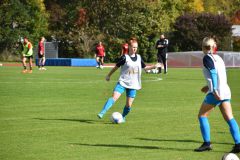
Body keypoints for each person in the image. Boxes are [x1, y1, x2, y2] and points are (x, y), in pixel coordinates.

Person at [194, 37, 240, 153]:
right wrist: (208, 86)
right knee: (230, 118)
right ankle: (238, 144)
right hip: (225, 91)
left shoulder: (206, 58)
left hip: (216, 93)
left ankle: (207, 143)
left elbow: (214, 73)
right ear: (214, 47)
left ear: (203, 47)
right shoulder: (219, 58)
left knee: (202, 115)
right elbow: (222, 73)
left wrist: (213, 89)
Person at [97, 38, 160, 122]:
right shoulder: (124, 58)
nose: (135, 49)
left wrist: (154, 66)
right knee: (114, 97)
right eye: (133, 47)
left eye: (136, 47)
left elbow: (145, 68)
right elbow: (116, 67)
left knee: (128, 105)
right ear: (129, 47)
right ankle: (102, 112)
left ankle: (122, 117)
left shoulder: (139, 57)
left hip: (133, 84)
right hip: (122, 82)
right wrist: (109, 75)